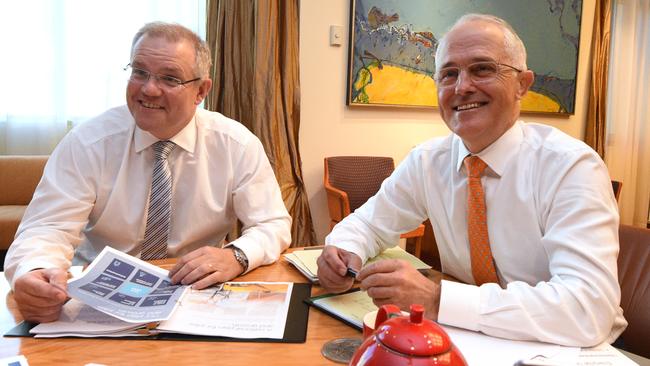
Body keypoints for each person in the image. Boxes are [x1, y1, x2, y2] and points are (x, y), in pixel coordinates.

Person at [317, 14, 627, 347]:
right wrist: (343, 252)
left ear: (523, 84)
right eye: (449, 74)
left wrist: (439, 300)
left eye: (482, 69)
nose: (462, 87)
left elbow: (587, 309)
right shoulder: (427, 161)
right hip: (471, 339)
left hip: (570, 349)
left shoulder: (570, 167)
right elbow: (369, 224)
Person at [4, 22, 291, 323]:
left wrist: (236, 256)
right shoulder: (88, 143)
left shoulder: (236, 144)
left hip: (195, 295)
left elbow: (272, 223)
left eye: (169, 78)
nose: (148, 89)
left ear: (201, 91)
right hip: (97, 299)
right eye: (140, 72)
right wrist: (35, 270)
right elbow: (48, 228)